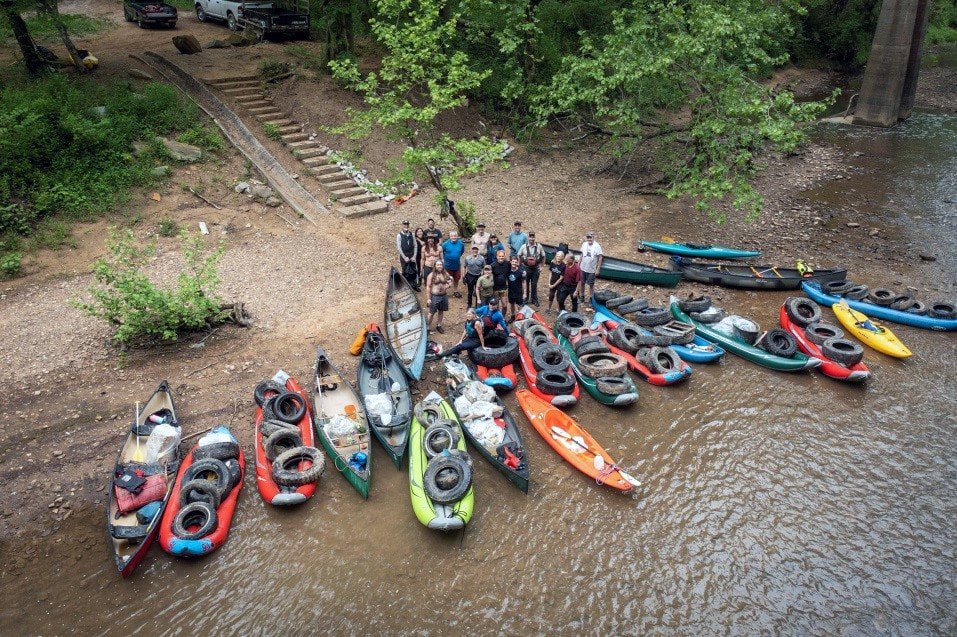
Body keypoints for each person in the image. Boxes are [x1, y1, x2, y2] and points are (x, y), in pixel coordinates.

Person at [517, 231, 546, 305]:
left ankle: (534, 299)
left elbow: (543, 256)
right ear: (528, 237)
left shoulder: (539, 246)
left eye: (533, 237)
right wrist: (520, 265)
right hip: (526, 268)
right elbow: (518, 255)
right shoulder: (524, 246)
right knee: (526, 284)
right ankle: (525, 299)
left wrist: (542, 266)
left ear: (535, 237)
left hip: (536, 269)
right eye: (530, 237)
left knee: (534, 284)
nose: (531, 238)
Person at [579, 231, 603, 308]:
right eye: (588, 237)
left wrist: (598, 269)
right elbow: (581, 255)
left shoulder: (597, 246)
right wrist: (578, 264)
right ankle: (582, 297)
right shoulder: (584, 244)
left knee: (591, 285)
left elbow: (600, 257)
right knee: (582, 283)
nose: (589, 239)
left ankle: (591, 299)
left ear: (593, 238)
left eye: (590, 237)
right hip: (583, 267)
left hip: (591, 269)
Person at [426, 261, 451, 333]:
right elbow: (428, 287)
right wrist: (428, 299)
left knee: (441, 311)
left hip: (444, 296)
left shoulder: (445, 274)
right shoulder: (431, 275)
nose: (439, 266)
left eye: (441, 265)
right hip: (435, 296)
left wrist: (449, 285)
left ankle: (439, 325)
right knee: (431, 313)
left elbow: (450, 280)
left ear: (442, 266)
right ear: (435, 266)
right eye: (438, 265)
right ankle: (427, 327)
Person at [441, 230, 465, 298]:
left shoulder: (461, 244)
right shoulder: (445, 244)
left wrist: (456, 256)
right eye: (452, 236)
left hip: (457, 265)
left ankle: (455, 291)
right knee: (446, 279)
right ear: (450, 236)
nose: (453, 237)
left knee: (456, 279)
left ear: (457, 236)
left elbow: (461, 252)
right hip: (447, 266)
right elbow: (441, 252)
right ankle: (444, 292)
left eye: (455, 236)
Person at [396, 220, 419, 288]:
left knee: (414, 271)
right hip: (404, 256)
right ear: (402, 225)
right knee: (405, 271)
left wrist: (414, 256)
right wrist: (404, 257)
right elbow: (399, 248)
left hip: (412, 255)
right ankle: (407, 286)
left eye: (407, 224)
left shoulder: (412, 234)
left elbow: (415, 245)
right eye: (405, 224)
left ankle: (414, 285)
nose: (406, 225)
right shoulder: (399, 236)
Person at [505, 256, 527, 321]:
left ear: (517, 263)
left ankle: (521, 317)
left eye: (515, 262)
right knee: (512, 304)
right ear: (510, 262)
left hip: (519, 292)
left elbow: (524, 282)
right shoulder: (508, 270)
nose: (514, 263)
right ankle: (513, 316)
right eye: (513, 262)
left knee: (519, 306)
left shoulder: (520, 272)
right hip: (511, 291)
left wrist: (525, 293)